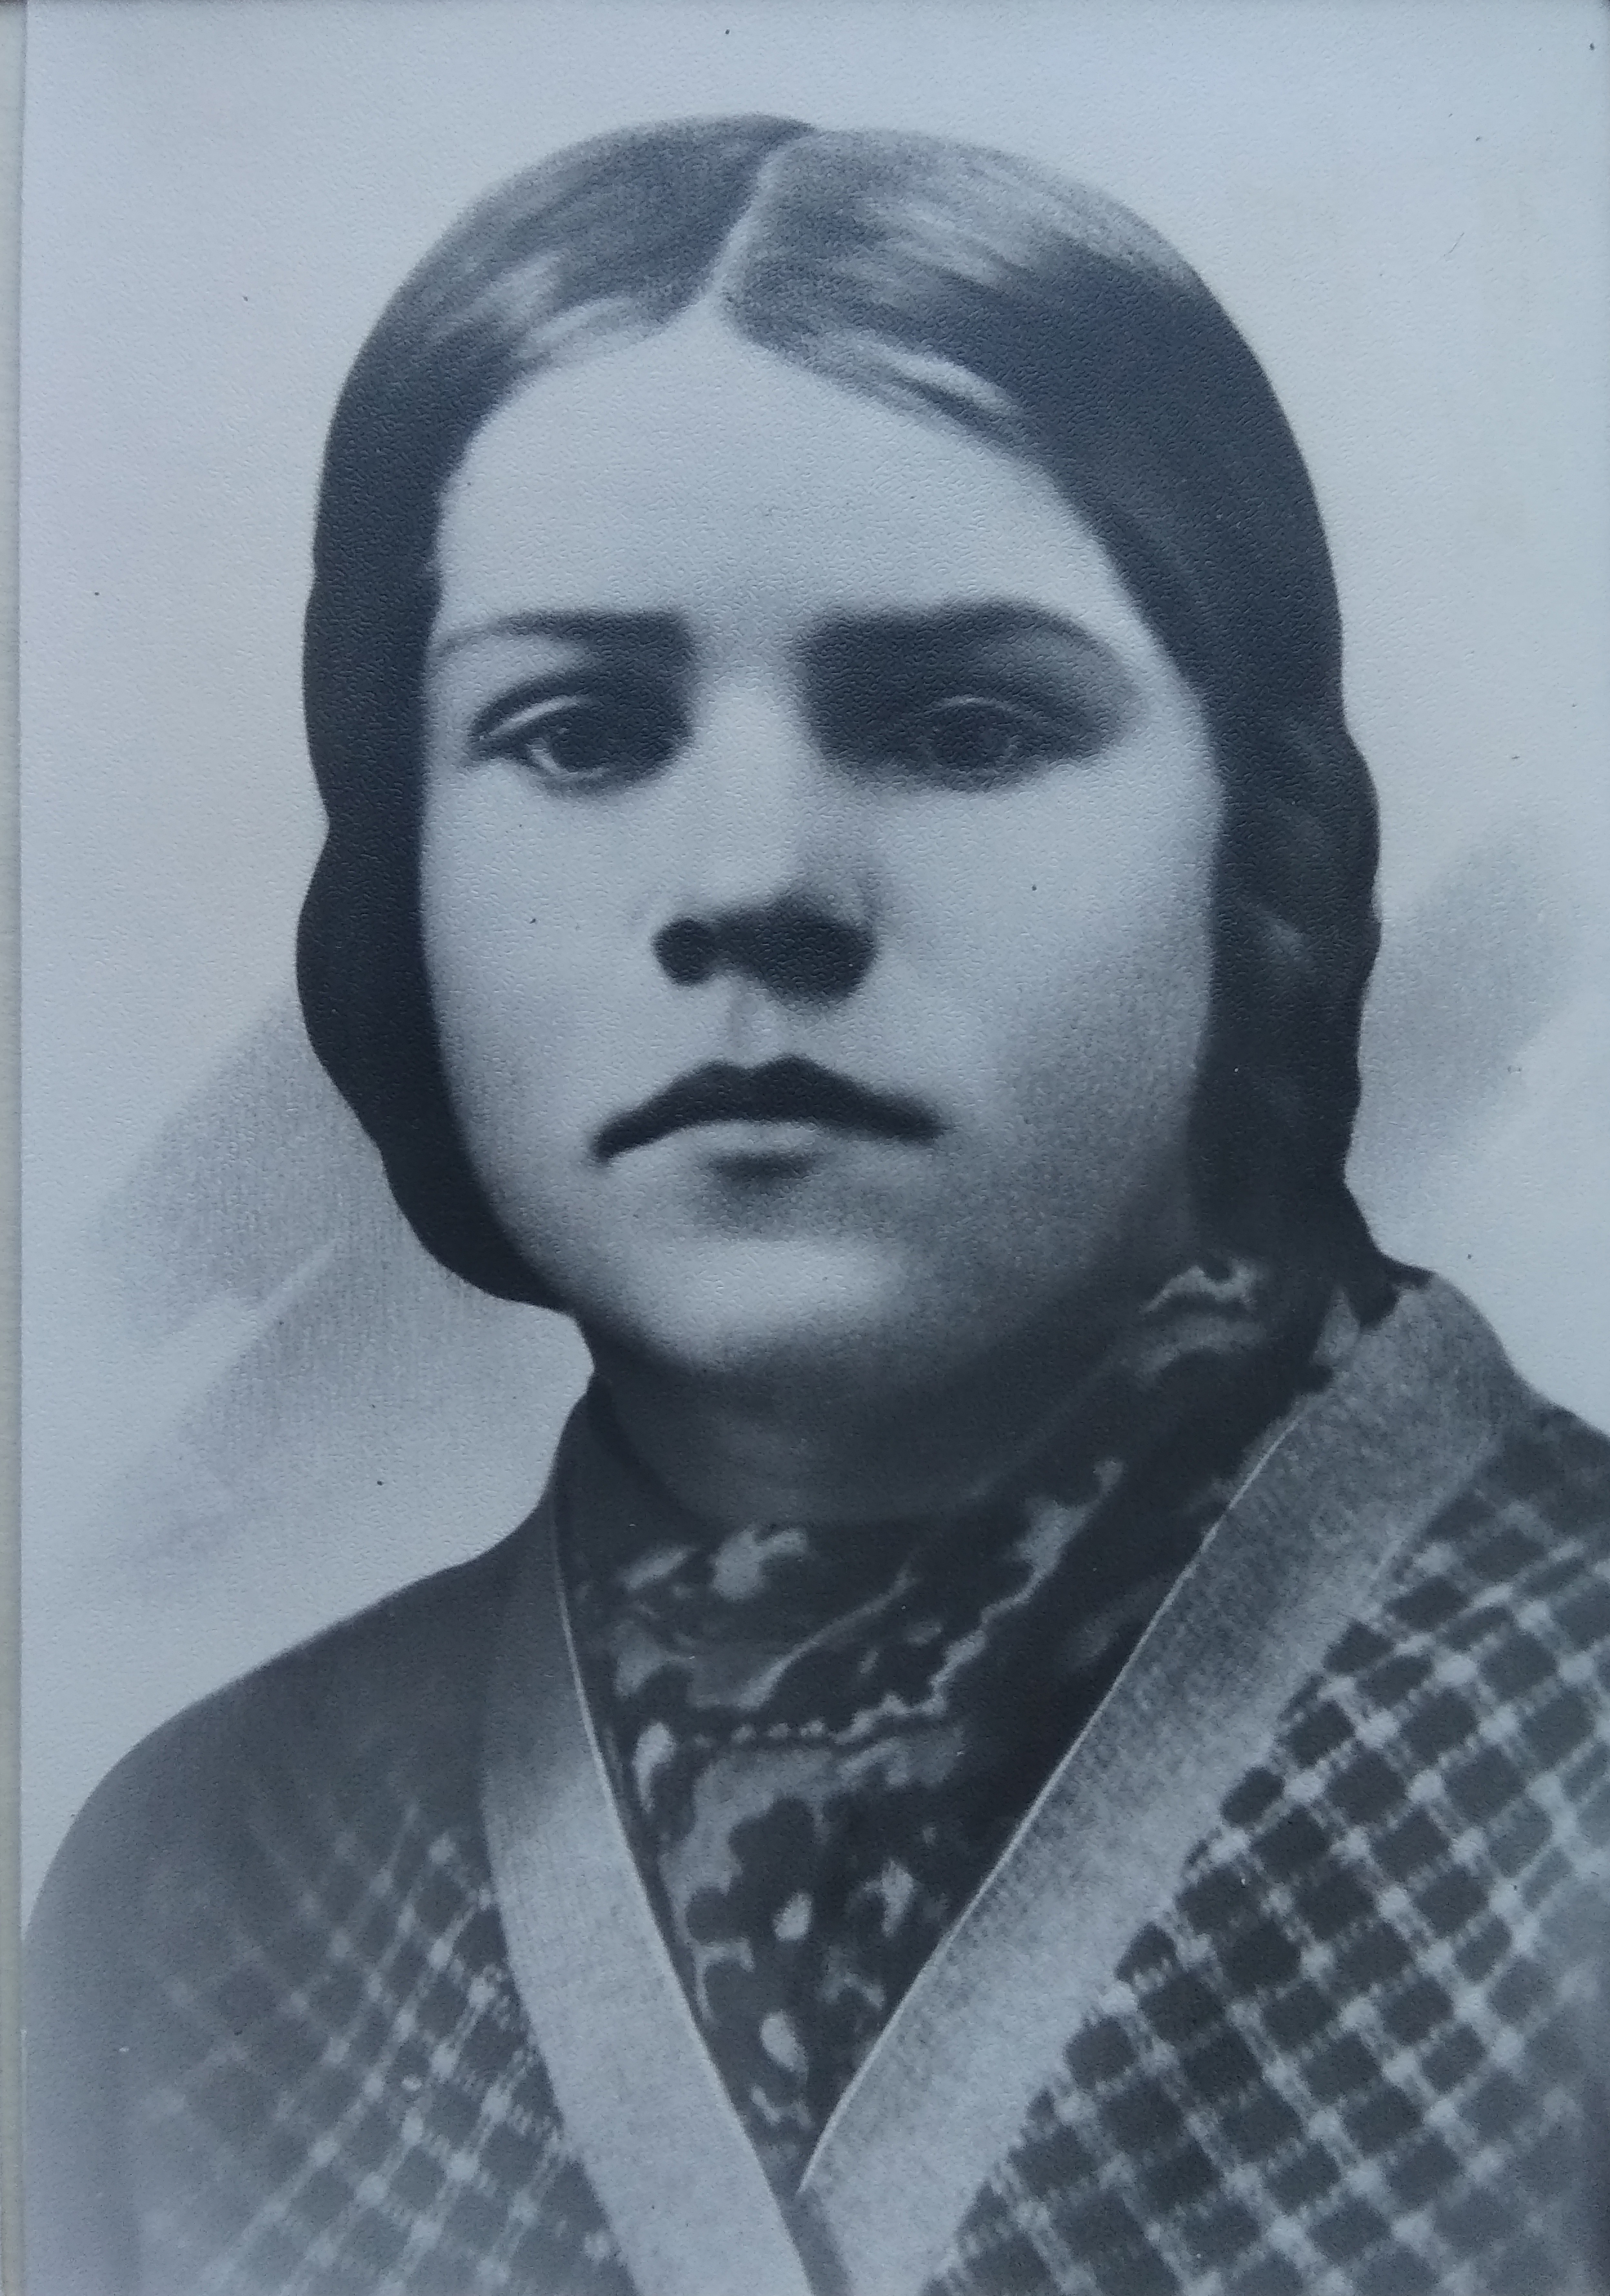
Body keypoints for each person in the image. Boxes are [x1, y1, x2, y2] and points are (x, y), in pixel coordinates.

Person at [26, 117, 1610, 2296]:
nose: (756, 878)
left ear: (1263, 842)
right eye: (580, 733)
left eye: (960, 727)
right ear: (400, 871)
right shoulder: (191, 1902)